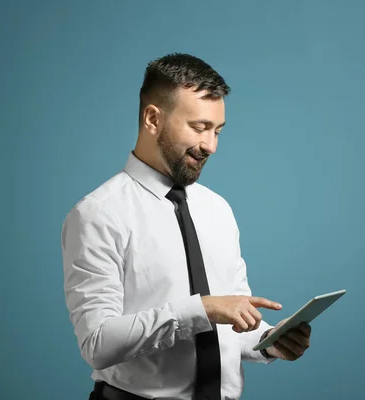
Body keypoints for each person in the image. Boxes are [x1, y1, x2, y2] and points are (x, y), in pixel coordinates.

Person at [61, 53, 312, 400]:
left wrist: (269, 342)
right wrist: (202, 309)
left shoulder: (218, 209)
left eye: (218, 131)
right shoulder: (98, 214)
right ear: (153, 118)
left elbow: (230, 329)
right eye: (199, 127)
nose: (210, 145)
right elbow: (97, 343)